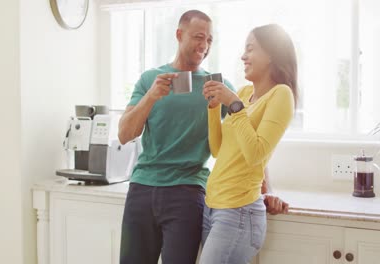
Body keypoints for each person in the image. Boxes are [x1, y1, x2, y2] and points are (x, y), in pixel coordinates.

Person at [117, 10, 234, 264]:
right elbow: (125, 134)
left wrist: (266, 187)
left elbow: (247, 130)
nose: (204, 45)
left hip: (187, 191)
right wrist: (151, 96)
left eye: (210, 40)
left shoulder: (215, 85)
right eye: (198, 37)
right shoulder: (151, 79)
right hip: (142, 188)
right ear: (179, 35)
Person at [200, 23, 298, 264]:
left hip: (238, 211)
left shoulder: (281, 94)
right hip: (212, 207)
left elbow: (256, 154)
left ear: (271, 54)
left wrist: (234, 105)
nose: (243, 56)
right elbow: (218, 150)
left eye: (250, 49)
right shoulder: (244, 93)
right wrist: (214, 108)